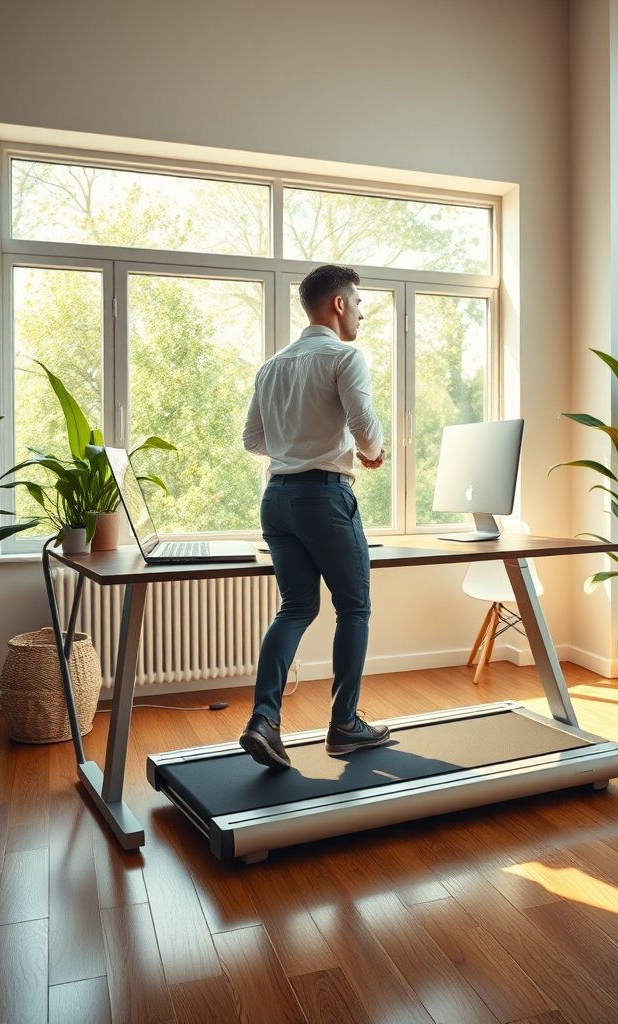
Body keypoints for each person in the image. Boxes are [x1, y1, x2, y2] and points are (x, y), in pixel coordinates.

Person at [239, 264, 390, 769]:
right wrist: (371, 451)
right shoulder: (345, 356)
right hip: (324, 498)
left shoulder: (272, 366)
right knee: (354, 608)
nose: (362, 314)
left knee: (296, 608)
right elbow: (366, 429)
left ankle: (264, 720)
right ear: (339, 304)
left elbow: (252, 440)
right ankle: (344, 726)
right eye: (359, 303)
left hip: (276, 500)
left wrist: (295, 447)